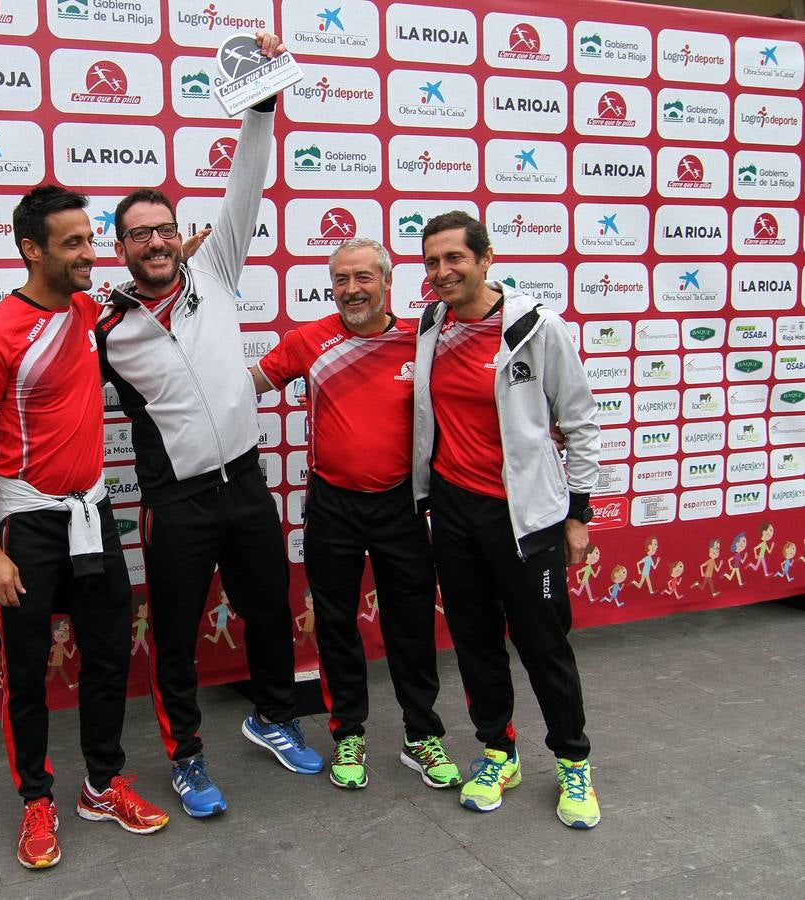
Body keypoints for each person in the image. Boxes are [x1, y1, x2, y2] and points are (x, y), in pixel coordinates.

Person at [95, 30, 323, 818]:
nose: (155, 242)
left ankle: (271, 717)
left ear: (177, 233)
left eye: (163, 228)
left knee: (268, 612)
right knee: (179, 639)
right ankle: (186, 757)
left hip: (246, 486)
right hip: (177, 504)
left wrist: (262, 92)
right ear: (118, 249)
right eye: (138, 235)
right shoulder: (106, 328)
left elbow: (246, 178)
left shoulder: (215, 271)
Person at [0, 185, 167, 871]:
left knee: (107, 656)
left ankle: (102, 784)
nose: (88, 254)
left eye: (89, 240)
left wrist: (173, 247)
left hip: (92, 514)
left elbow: (159, 269)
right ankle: (35, 800)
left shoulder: (86, 306)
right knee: (26, 671)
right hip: (27, 525)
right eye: (72, 244)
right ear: (31, 250)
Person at [412, 210, 602, 829]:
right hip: (456, 514)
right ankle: (499, 751)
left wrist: (578, 516)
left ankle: (573, 763)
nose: (442, 272)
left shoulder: (535, 327)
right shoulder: (432, 324)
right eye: (433, 261)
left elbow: (578, 423)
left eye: (454, 259)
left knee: (544, 643)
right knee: (473, 642)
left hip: (529, 523)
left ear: (486, 259)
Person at [251, 238, 460, 792]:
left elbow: (477, 391)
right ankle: (348, 731)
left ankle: (422, 735)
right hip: (332, 504)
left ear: (387, 282)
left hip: (401, 504)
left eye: (363, 277)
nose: (351, 289)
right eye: (341, 279)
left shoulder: (423, 339)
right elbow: (244, 386)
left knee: (410, 624)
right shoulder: (308, 340)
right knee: (337, 623)